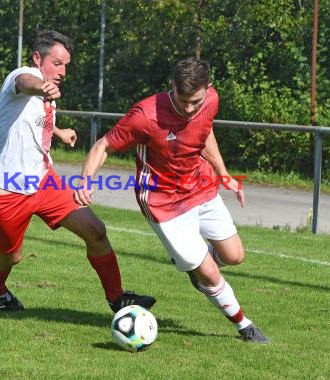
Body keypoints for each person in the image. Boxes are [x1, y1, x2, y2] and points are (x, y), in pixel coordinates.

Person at [74, 57, 270, 343]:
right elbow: (104, 145)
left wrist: (223, 173)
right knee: (211, 272)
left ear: (208, 89)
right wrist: (85, 180)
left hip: (201, 187)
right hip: (162, 201)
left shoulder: (211, 100)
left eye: (197, 101)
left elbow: (204, 133)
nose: (189, 109)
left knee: (234, 256)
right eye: (183, 100)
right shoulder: (145, 115)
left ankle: (197, 268)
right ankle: (244, 325)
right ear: (172, 87)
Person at [0, 30, 156, 313]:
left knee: (96, 231)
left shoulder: (47, 93)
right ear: (37, 58)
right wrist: (42, 87)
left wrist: (58, 132)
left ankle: (118, 298)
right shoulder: (22, 76)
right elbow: (25, 83)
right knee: (11, 256)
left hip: (44, 182)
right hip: (3, 189)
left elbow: (33, 119)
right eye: (57, 63)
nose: (62, 71)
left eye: (66, 65)